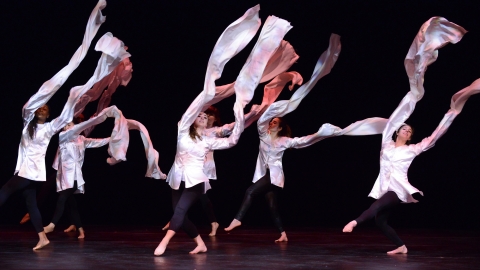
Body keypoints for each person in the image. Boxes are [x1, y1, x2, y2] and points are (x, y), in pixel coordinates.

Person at [43, 119, 110, 239]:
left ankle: (52, 225)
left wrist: (113, 138)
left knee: (62, 198)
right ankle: (81, 229)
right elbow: (57, 161)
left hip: (75, 177)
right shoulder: (63, 137)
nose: (67, 127)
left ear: (75, 126)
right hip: (64, 177)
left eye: (70, 124)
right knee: (71, 204)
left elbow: (98, 142)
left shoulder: (81, 139)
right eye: (65, 126)